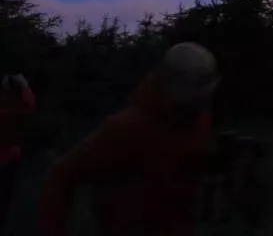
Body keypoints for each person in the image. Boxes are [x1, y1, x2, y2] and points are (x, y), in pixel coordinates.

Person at [38, 42, 220, 236]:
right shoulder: (125, 128)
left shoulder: (198, 121)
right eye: (198, 89)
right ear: (172, 85)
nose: (204, 99)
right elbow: (63, 174)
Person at [0, 72, 34, 230]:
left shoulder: (9, 110)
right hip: (8, 160)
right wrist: (24, 86)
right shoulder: (10, 112)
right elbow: (29, 106)